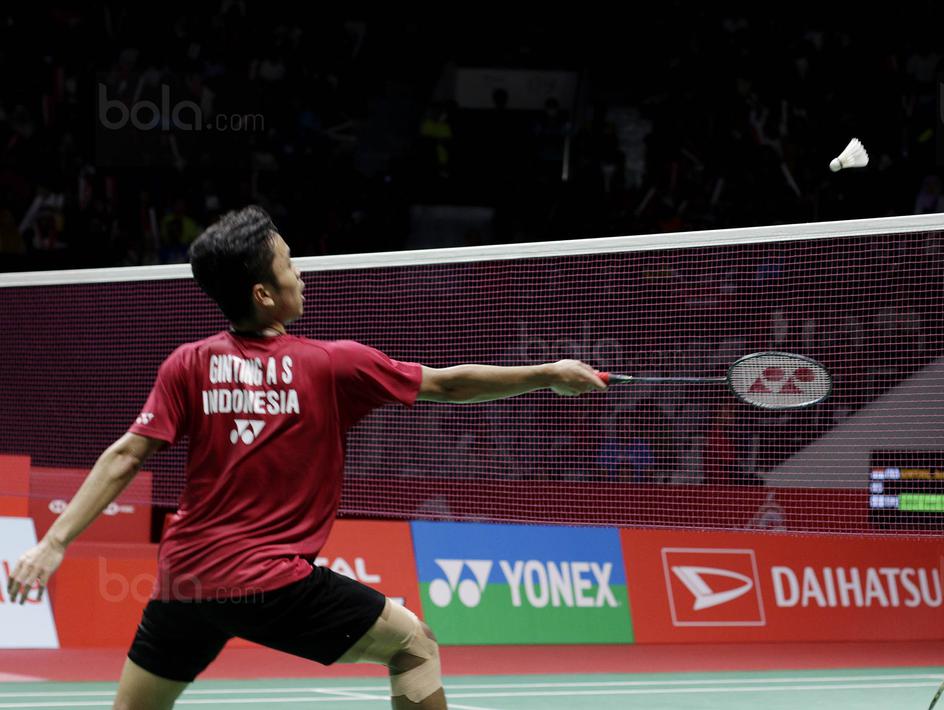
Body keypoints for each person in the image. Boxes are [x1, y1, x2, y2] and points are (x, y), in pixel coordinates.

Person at [5, 206, 607, 710]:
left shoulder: (187, 363)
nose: (301, 272)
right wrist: (549, 373)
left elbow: (124, 455)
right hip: (269, 582)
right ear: (264, 294)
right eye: (290, 263)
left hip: (185, 581)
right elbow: (448, 385)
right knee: (414, 646)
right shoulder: (331, 364)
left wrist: (53, 543)